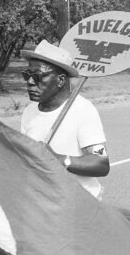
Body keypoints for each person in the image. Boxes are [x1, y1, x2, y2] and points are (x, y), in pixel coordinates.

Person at [20, 40, 109, 201]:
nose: (30, 82)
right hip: (45, 204)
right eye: (27, 75)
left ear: (61, 80)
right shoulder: (29, 111)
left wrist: (60, 160)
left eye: (37, 76)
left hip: (80, 206)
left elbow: (101, 164)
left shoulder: (83, 110)